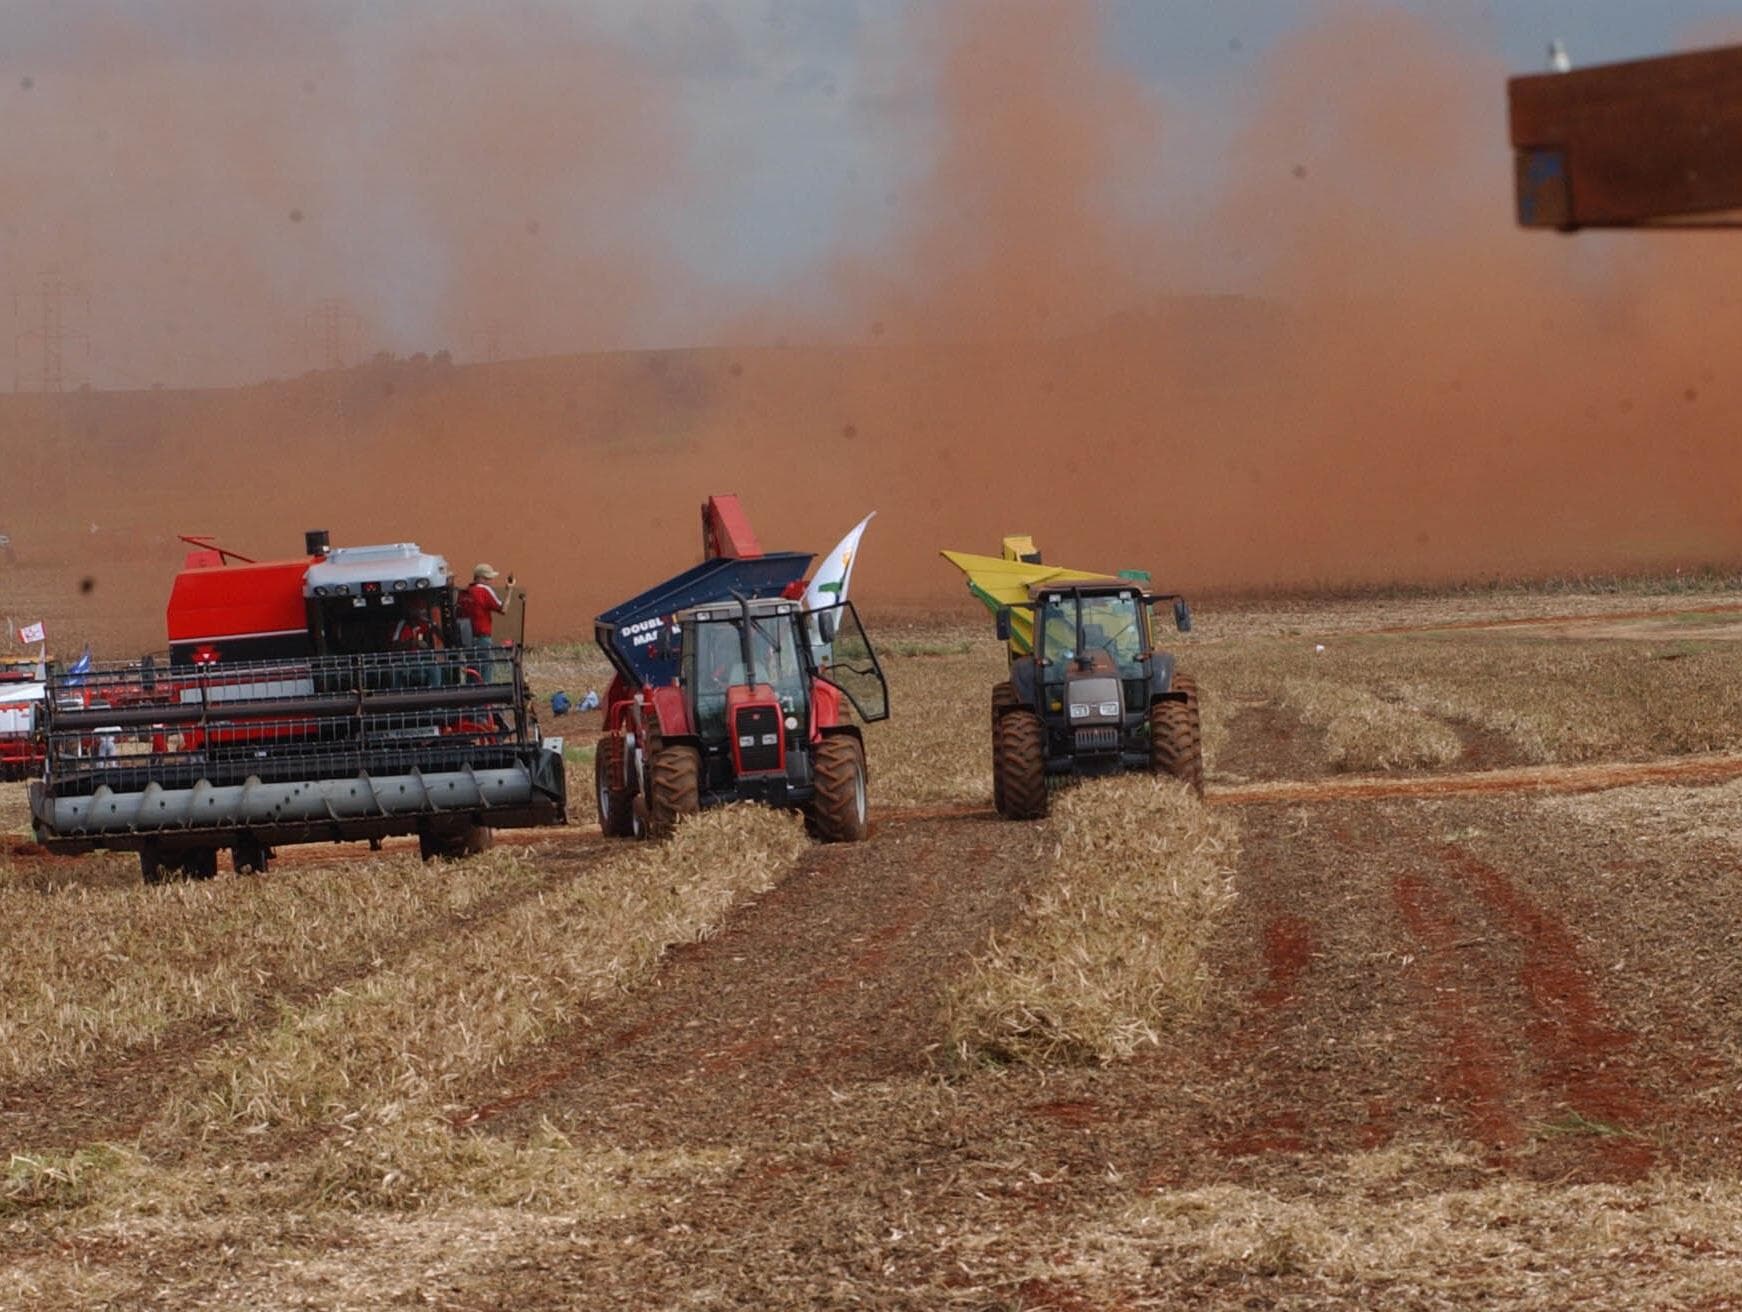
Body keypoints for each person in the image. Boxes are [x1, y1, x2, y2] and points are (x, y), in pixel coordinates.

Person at [457, 564, 515, 680]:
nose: (490, 581)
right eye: (488, 578)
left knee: (472, 671)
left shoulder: (464, 593)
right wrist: (510, 591)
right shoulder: (484, 591)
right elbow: (503, 609)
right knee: (485, 670)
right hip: (482, 639)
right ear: (480, 578)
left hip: (466, 639)